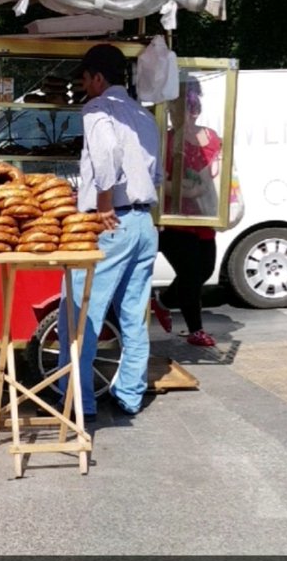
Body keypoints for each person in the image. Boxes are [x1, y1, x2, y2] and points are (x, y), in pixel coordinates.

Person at [57, 45, 162, 420]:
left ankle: (78, 401)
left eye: (85, 80)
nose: (84, 88)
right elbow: (156, 174)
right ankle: (130, 395)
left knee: (80, 313)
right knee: (133, 316)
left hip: (110, 221)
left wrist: (102, 205)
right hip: (143, 223)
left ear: (98, 78)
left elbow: (106, 158)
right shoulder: (143, 115)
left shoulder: (98, 109)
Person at [152, 83, 221, 348]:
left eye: (178, 109)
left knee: (205, 269)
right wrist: (186, 190)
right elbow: (159, 182)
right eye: (172, 110)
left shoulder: (211, 137)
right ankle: (195, 329)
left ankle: (163, 302)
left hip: (204, 217)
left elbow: (220, 171)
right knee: (191, 273)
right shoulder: (167, 141)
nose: (174, 115)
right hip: (174, 221)